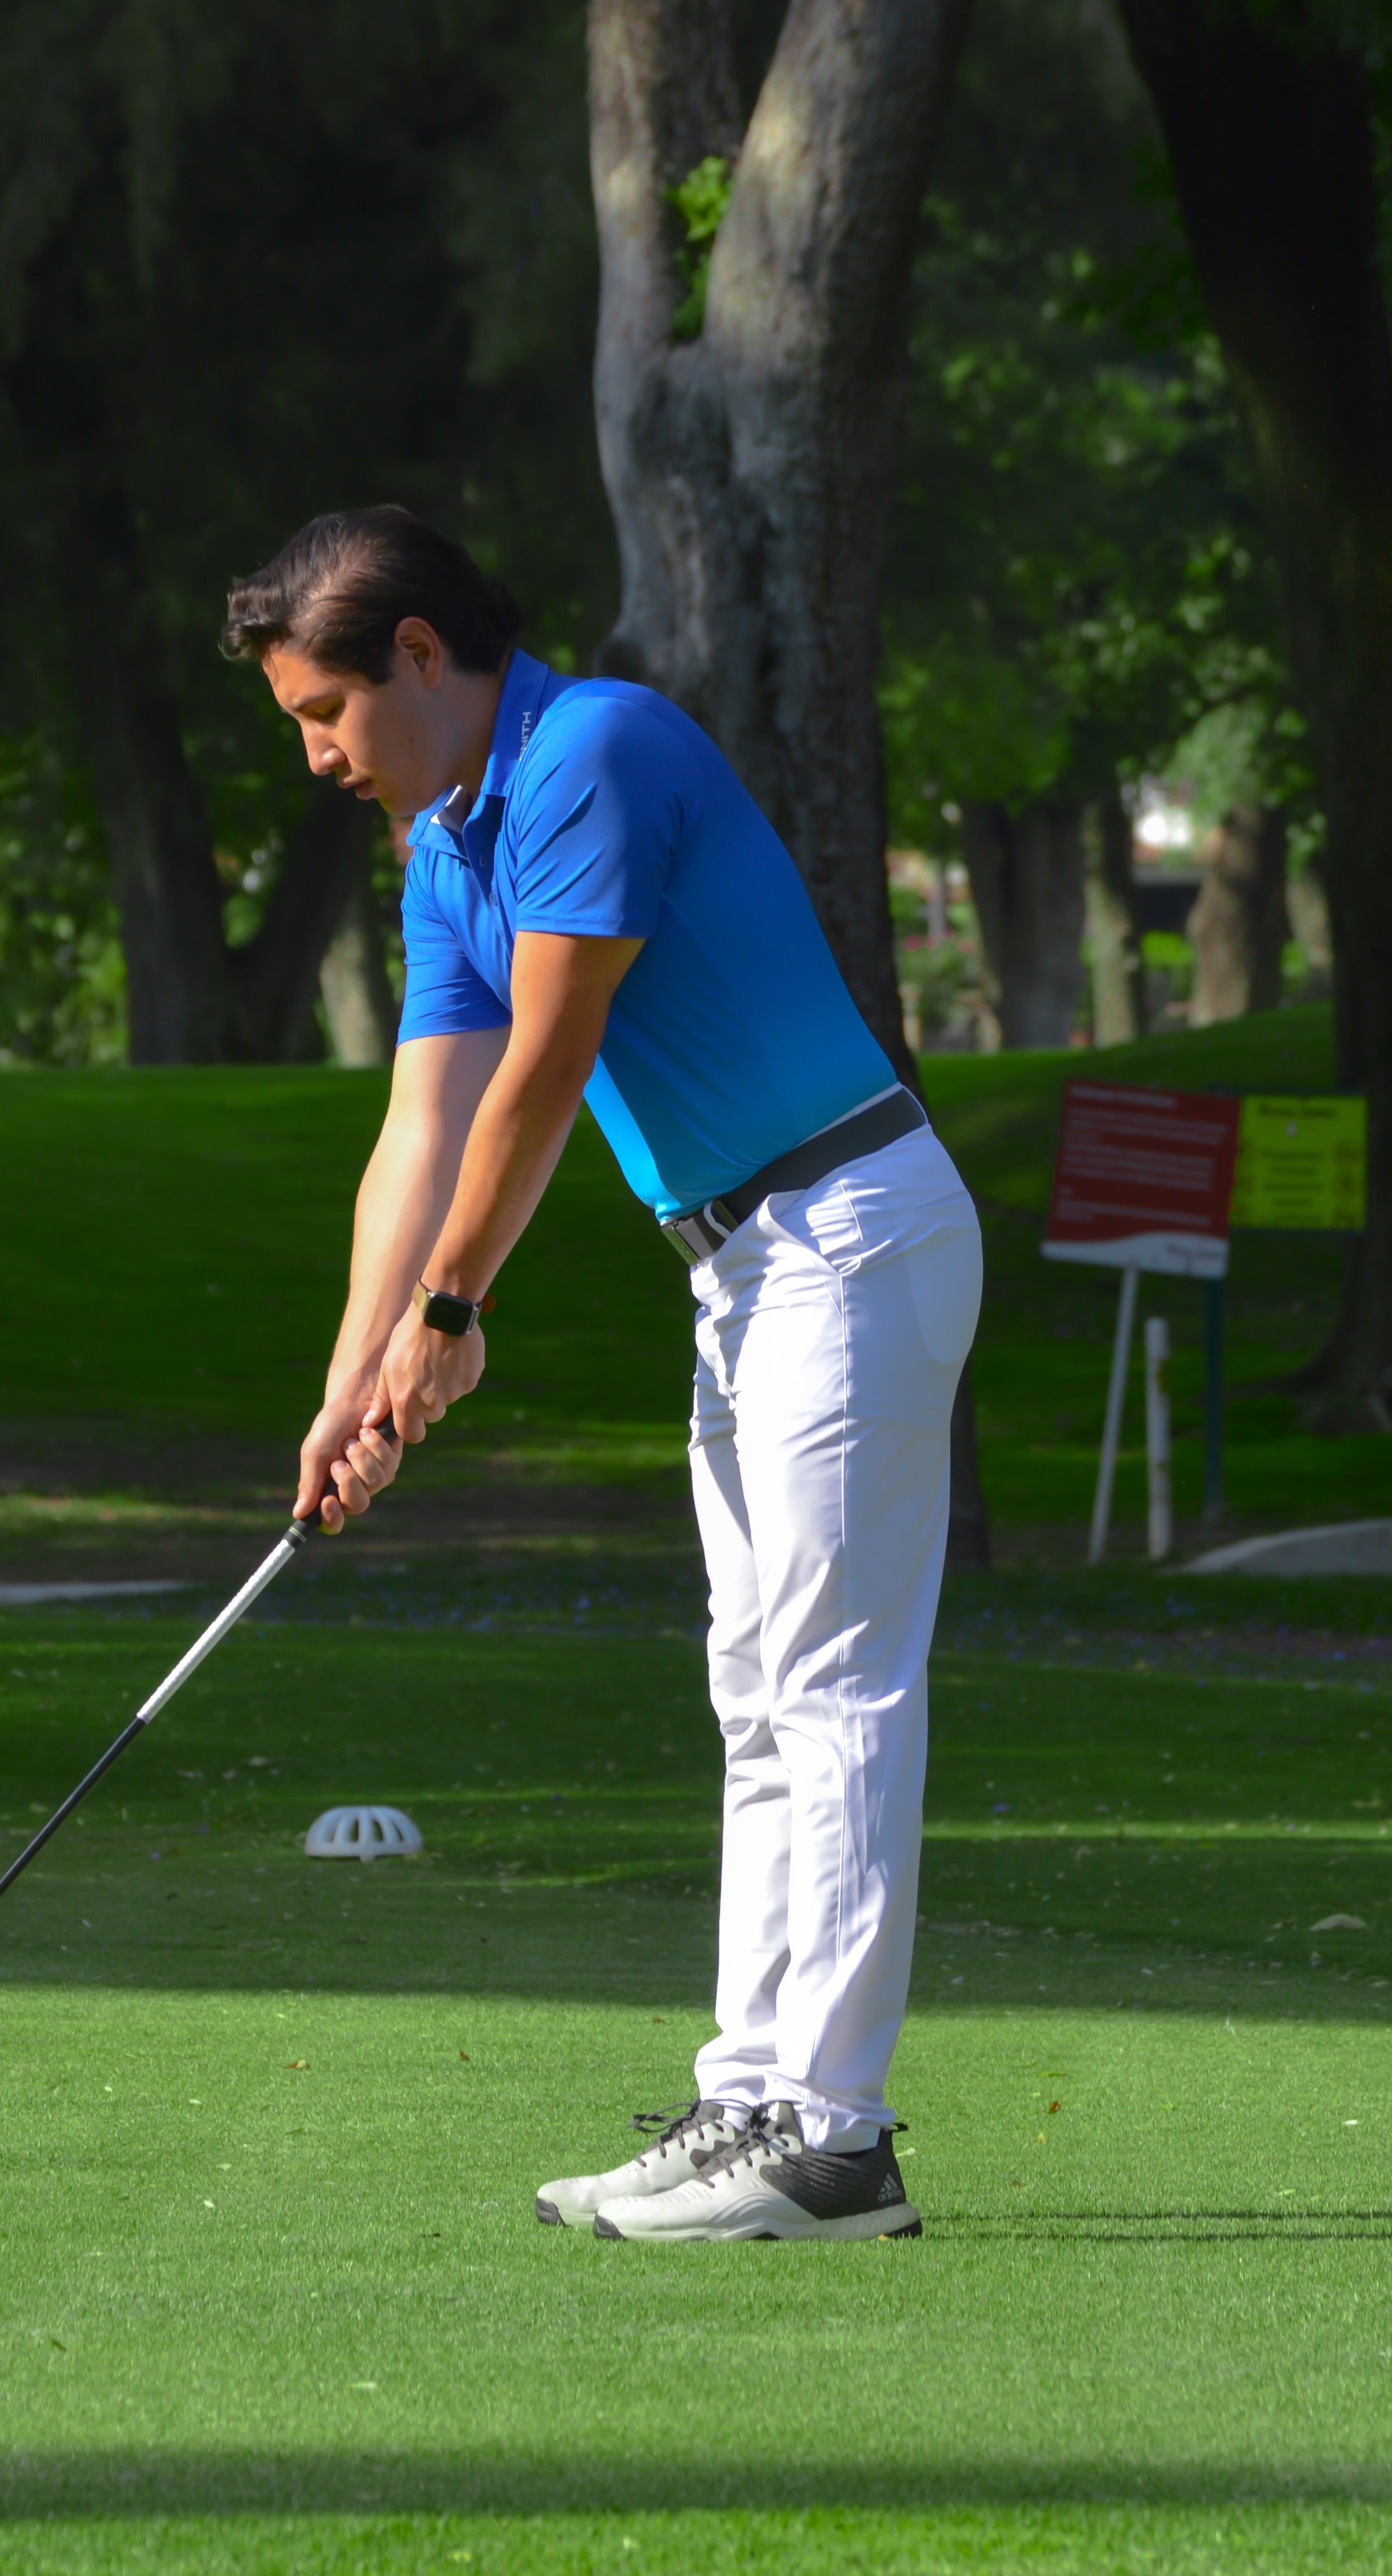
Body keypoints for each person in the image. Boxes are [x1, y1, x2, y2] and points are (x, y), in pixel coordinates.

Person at [221, 506, 981, 2244]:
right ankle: (751, 2103)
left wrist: (451, 1315)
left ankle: (836, 2143)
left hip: (850, 1224)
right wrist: (353, 1385)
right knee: (754, 1686)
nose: (320, 756)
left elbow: (543, 1073)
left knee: (832, 1680)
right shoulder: (447, 849)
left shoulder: (595, 752)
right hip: (748, 1265)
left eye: (324, 715)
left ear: (421, 655)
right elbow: (421, 1124)